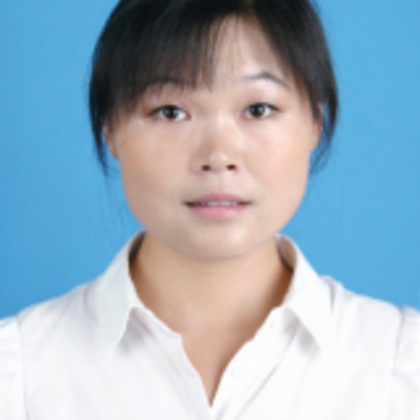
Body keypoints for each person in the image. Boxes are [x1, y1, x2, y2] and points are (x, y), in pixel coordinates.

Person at [0, 0, 419, 418]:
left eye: (258, 109)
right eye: (170, 112)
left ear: (315, 123)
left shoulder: (400, 363)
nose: (218, 156)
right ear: (110, 129)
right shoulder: (19, 372)